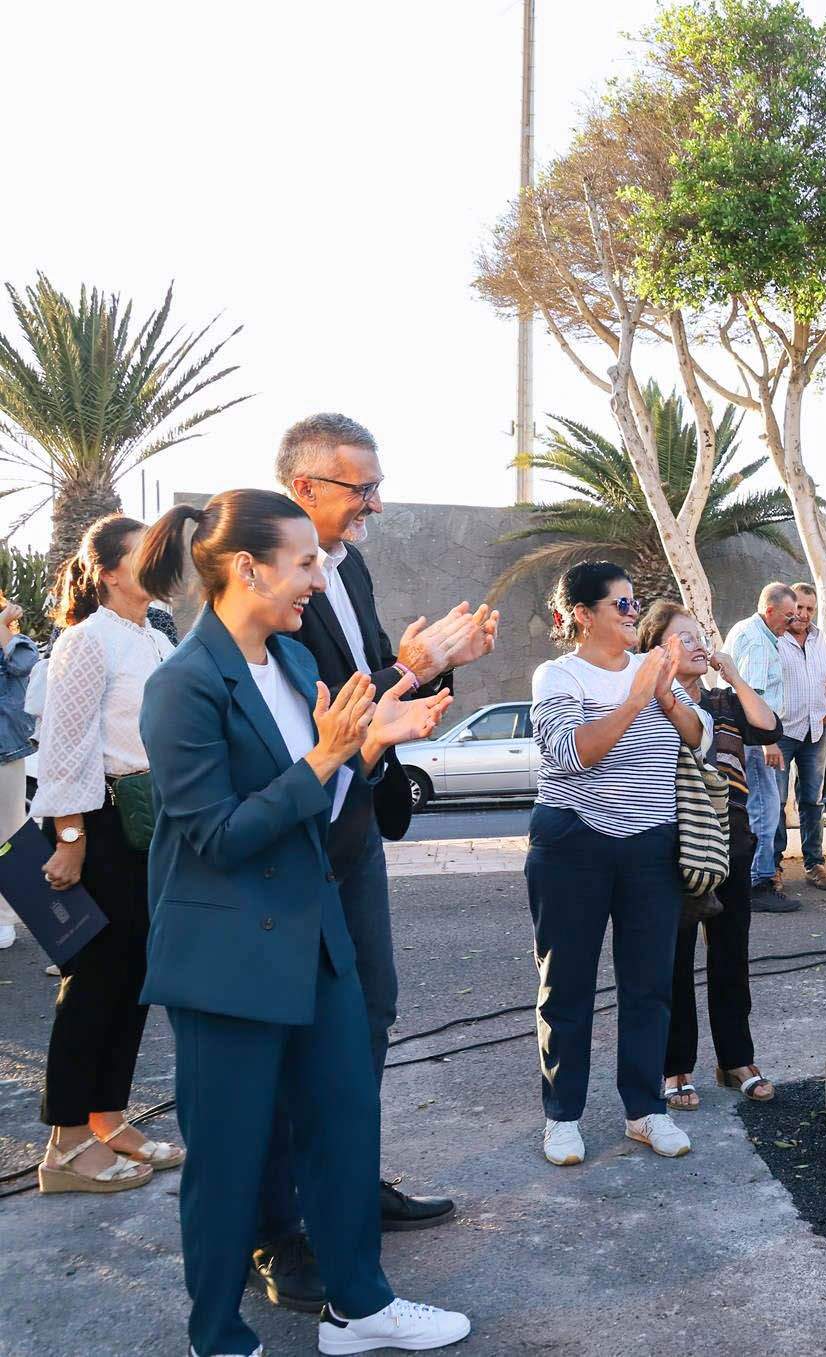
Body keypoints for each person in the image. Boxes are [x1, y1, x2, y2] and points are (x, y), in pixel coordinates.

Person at [134, 489, 468, 1356]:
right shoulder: (181, 685)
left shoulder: (287, 664)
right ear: (248, 567)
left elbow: (312, 799)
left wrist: (366, 745)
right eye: (305, 562)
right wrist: (327, 756)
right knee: (230, 1160)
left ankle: (361, 1306)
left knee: (344, 1123)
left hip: (316, 937)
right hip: (227, 958)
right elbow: (218, 833)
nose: (319, 578)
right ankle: (218, 1335)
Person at [256, 412, 494, 1310]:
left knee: (368, 1014)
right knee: (288, 1035)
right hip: (295, 837)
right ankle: (276, 1232)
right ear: (305, 487)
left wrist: (433, 667)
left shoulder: (348, 563)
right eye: (362, 489)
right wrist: (411, 664)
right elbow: (322, 714)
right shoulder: (262, 580)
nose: (377, 505)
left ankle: (345, 1187)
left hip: (354, 829)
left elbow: (375, 690)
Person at [525, 561, 708, 1169]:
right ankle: (563, 1117)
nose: (635, 615)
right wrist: (637, 696)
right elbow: (573, 751)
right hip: (572, 842)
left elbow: (696, 737)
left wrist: (663, 694)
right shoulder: (558, 675)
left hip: (650, 842)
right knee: (567, 985)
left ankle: (644, 1109)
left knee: (650, 983)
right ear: (583, 615)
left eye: (635, 605)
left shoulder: (652, 671)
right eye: (622, 606)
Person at [29, 515, 184, 1196]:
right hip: (96, 821)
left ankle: (108, 1119)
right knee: (93, 982)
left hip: (148, 824)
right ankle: (63, 1146)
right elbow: (66, 742)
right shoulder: (86, 642)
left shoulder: (155, 638)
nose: (162, 560)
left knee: (133, 977)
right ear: (113, 571)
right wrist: (70, 838)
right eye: (145, 552)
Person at [638, 603, 784, 1113]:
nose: (700, 644)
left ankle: (736, 1059)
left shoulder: (725, 701)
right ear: (658, 649)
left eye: (701, 635)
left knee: (730, 957)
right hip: (674, 849)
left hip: (731, 844)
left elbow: (768, 728)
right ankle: (674, 1065)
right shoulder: (649, 704)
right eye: (685, 638)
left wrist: (735, 673)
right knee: (673, 962)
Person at [724, 584, 795, 908]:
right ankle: (758, 881)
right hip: (754, 741)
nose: (791, 622)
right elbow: (751, 696)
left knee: (758, 808)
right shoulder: (757, 641)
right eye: (787, 616)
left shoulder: (754, 632)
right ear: (770, 611)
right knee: (764, 810)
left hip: (749, 740)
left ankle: (755, 877)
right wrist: (769, 743)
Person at [774, 582, 826, 893]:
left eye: (810, 609)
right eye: (799, 607)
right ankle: (773, 867)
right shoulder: (774, 639)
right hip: (782, 733)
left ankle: (815, 864)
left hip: (816, 730)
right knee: (776, 801)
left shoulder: (820, 638)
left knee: (813, 800)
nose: (804, 614)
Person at [0, 589, 37, 951]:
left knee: (8, 833)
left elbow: (25, 666)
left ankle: (4, 916)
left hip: (4, 751)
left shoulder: (15, 641)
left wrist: (1, 627)